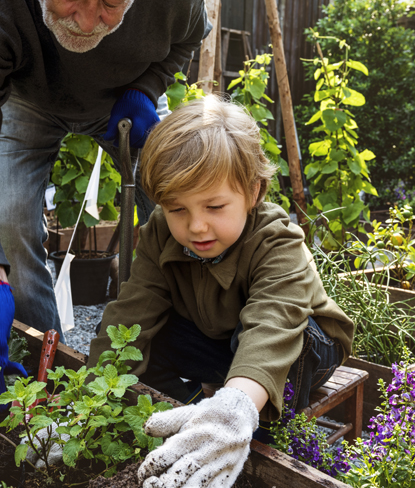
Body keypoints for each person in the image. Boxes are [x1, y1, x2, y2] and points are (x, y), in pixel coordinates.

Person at [0, 0, 210, 407]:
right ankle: (46, 371)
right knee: (8, 223)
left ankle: (174, 357)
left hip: (124, 99)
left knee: (183, 203)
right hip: (28, 102)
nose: (85, 18)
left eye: (113, 2)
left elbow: (186, 38)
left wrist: (146, 87)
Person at [86, 95, 355, 488]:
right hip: (220, 338)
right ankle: (196, 415)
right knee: (144, 339)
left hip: (302, 344)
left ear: (253, 191)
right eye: (178, 209)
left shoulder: (277, 239)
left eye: (214, 206)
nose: (196, 227)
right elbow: (132, 311)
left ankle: (244, 431)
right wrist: (87, 403)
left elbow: (272, 324)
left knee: (285, 342)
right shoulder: (161, 231)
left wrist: (237, 407)